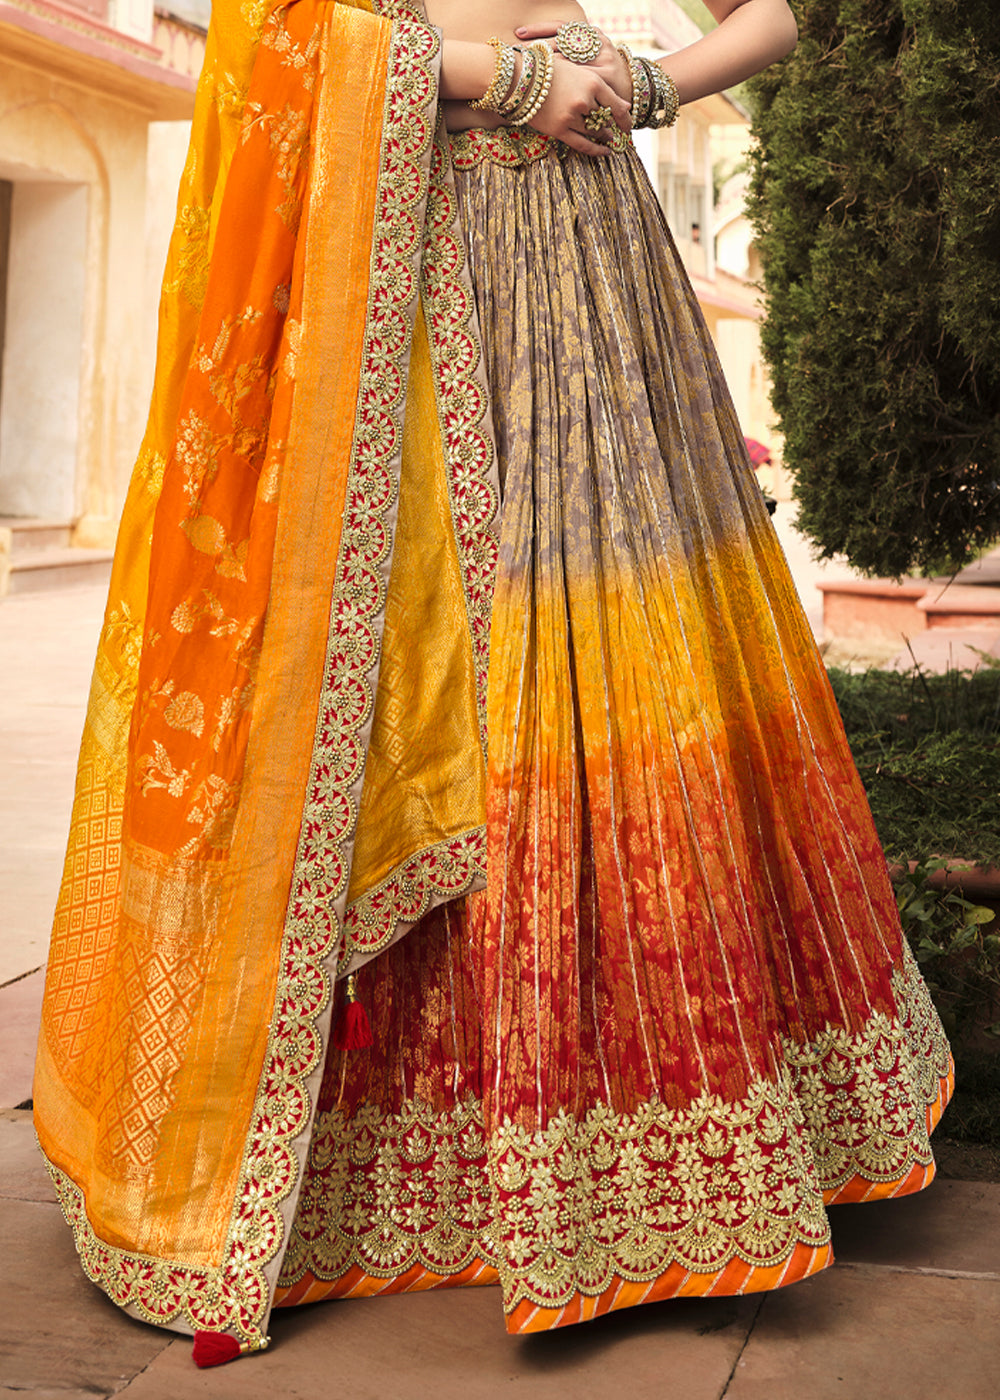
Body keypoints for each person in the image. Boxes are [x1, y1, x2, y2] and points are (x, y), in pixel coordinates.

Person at [34, 0, 952, 1368]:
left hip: (583, 283)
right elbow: (278, 36)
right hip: (394, 287)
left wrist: (645, 83)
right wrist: (492, 75)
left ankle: (649, 1172)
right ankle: (359, 1175)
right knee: (408, 705)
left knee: (605, 683)